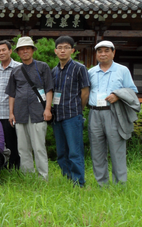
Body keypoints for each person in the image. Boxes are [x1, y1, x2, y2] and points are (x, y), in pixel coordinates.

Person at [88, 40, 140, 186]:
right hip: (94, 113)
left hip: (114, 112)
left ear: (113, 52)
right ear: (96, 54)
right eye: (99, 51)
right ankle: (101, 184)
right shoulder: (91, 72)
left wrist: (118, 95)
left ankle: (120, 184)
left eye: (106, 51)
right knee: (97, 151)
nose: (103, 54)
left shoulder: (122, 70)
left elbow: (132, 91)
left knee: (117, 149)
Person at [6, 36, 53, 181]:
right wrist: (11, 113)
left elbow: (49, 89)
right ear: (18, 53)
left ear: (32, 50)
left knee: (39, 147)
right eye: (22, 49)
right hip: (20, 114)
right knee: (23, 148)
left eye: (27, 48)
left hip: (38, 112)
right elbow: (12, 94)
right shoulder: (16, 71)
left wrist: (48, 109)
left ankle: (43, 176)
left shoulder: (43, 67)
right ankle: (28, 176)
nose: (25, 51)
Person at [51, 36, 90, 187]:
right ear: (55, 51)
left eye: (66, 47)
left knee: (75, 151)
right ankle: (68, 180)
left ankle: (79, 182)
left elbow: (85, 92)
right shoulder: (53, 71)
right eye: (59, 47)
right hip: (57, 116)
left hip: (73, 115)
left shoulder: (80, 68)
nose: (62, 50)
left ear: (72, 50)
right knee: (61, 153)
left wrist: (79, 110)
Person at [0, 40, 21, 169]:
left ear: (10, 51)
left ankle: (14, 168)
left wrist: (13, 112)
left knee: (12, 142)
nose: (1, 53)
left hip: (11, 112)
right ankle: (2, 167)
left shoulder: (18, 67)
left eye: (4, 50)